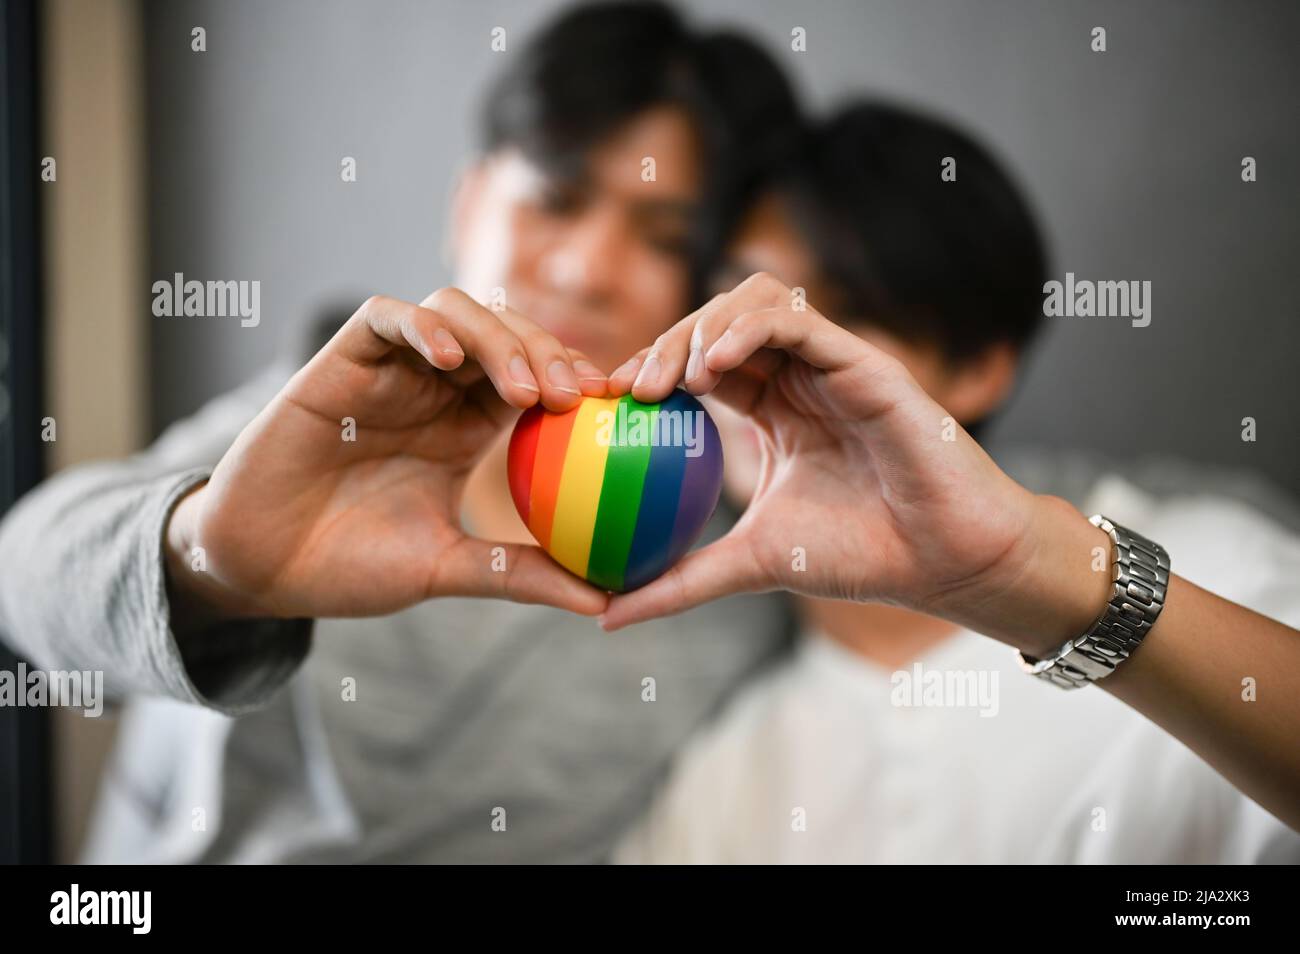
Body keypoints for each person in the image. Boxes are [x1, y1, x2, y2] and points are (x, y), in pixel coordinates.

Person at [0, 2, 806, 863]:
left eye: (664, 236)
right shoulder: (331, 409)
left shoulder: (731, 565)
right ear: (467, 206)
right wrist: (210, 559)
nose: (585, 270)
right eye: (556, 198)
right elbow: (24, 575)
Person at [605, 103, 1300, 861]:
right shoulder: (717, 794)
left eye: (842, 315)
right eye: (735, 299)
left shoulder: (1232, 581)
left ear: (979, 368)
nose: (765, 346)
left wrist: (1044, 580)